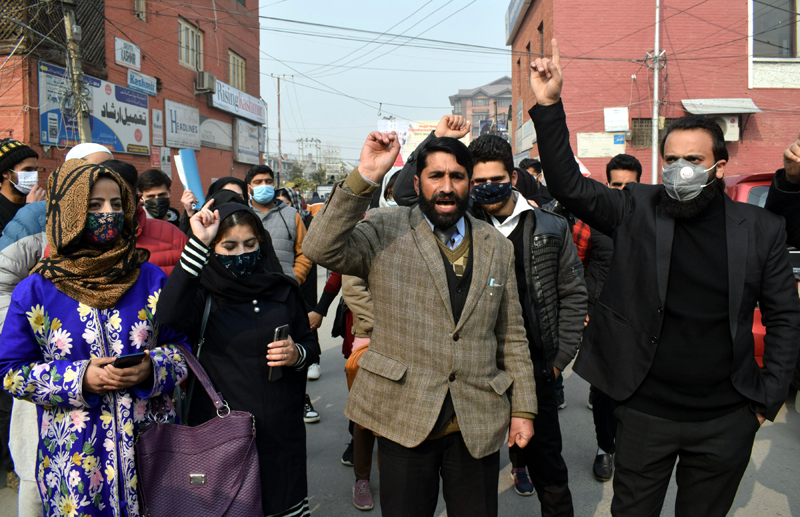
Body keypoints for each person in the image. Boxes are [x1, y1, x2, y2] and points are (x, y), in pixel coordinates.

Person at [529, 39, 800, 516]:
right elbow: (569, 184)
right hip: (645, 411)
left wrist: (764, 403)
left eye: (693, 161)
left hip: (726, 417)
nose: (680, 170)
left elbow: (785, 318)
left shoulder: (760, 230)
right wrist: (549, 105)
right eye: (672, 158)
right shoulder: (637, 207)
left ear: (719, 166)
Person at [303, 129, 537, 517]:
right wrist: (365, 176)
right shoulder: (384, 228)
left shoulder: (494, 244)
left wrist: (524, 409)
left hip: (475, 420)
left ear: (469, 183)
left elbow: (511, 334)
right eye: (436, 176)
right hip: (404, 416)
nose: (447, 187)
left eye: (457, 177)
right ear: (417, 182)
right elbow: (319, 247)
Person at [0, 159, 190, 517]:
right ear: (68, 211)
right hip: (75, 468)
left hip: (155, 456)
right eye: (94, 205)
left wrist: (152, 369)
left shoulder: (149, 277)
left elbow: (183, 350)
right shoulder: (36, 291)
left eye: (117, 204)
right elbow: (10, 372)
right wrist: (79, 378)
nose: (109, 213)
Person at [157, 200, 319, 517]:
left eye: (249, 244)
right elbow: (166, 319)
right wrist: (198, 242)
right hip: (220, 435)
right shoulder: (202, 292)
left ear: (262, 244)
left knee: (281, 504)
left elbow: (310, 345)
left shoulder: (282, 289)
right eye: (228, 246)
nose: (240, 254)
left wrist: (295, 354)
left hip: (279, 433)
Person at [466, 134, 586, 515]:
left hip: (536, 367)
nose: (488, 188)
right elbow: (406, 196)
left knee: (549, 470)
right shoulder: (462, 225)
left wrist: (558, 360)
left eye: (496, 179)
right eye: (479, 181)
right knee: (474, 475)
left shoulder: (551, 226)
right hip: (477, 367)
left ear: (513, 177)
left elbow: (573, 294)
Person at [570, 153, 641, 482]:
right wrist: (581, 307)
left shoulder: (656, 224)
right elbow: (573, 267)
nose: (623, 191)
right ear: (607, 184)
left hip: (642, 321)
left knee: (636, 390)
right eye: (616, 185)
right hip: (600, 318)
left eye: (630, 185)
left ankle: (633, 448)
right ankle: (605, 448)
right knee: (602, 391)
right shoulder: (590, 223)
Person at [101, 160, 187, 276]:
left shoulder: (174, 235)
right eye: (96, 204)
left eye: (118, 201)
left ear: (136, 199)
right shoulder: (76, 245)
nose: (108, 211)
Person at [246, 165, 312, 283]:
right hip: (250, 288)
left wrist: (294, 279)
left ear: (274, 184)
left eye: (268, 181)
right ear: (248, 188)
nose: (264, 185)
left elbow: (305, 253)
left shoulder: (292, 215)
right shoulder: (243, 215)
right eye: (258, 182)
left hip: (285, 289)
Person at [0, 138, 45, 233]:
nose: (33, 175)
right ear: (6, 173)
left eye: (35, 170)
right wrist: (30, 209)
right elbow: (7, 244)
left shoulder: (40, 201)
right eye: (27, 170)